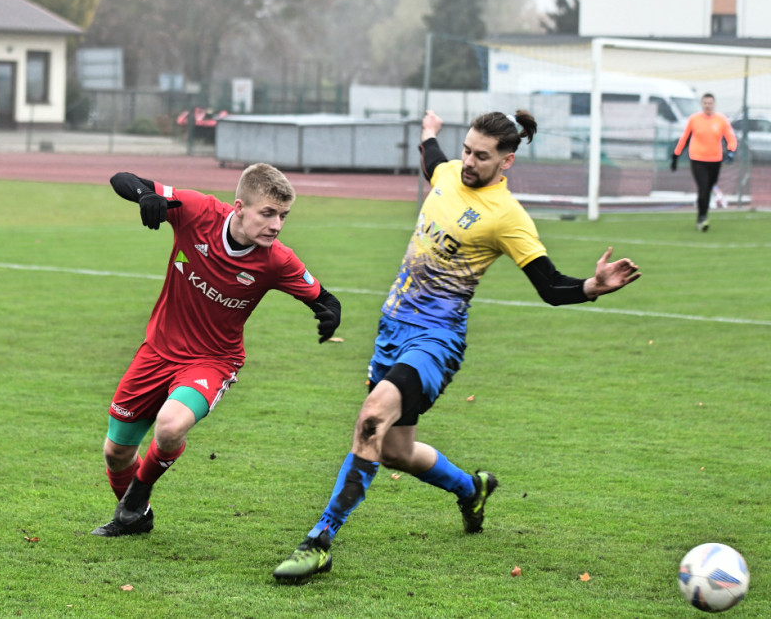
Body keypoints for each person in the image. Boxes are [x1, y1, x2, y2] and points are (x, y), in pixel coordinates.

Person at [272, 109, 641, 583]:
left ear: (506, 162)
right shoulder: (448, 172)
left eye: (482, 156)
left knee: (371, 418)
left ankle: (320, 540)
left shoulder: (507, 217)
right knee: (394, 451)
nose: (468, 161)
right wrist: (429, 131)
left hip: (436, 339)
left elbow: (548, 286)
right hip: (391, 330)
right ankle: (472, 488)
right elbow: (433, 159)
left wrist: (591, 285)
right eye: (466, 149)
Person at [92, 163, 342, 537]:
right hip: (156, 351)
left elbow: (324, 298)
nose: (276, 225)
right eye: (268, 213)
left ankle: (136, 496)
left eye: (283, 216)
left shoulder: (276, 259)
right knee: (115, 452)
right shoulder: (197, 212)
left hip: (212, 361)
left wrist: (328, 315)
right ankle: (136, 516)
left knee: (170, 425)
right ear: (239, 207)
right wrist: (146, 196)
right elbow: (122, 179)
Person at [671, 93, 737, 232]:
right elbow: (684, 138)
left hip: (715, 160)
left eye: (710, 103)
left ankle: (703, 215)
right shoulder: (694, 119)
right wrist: (676, 155)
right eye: (705, 103)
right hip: (697, 159)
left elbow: (731, 138)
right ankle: (702, 218)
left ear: (714, 104)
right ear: (702, 104)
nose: (708, 105)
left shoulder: (721, 120)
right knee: (703, 187)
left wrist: (731, 151)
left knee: (708, 188)